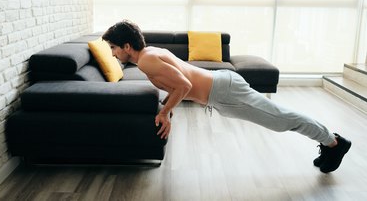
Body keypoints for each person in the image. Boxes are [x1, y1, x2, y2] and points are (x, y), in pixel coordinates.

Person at [102, 20, 351, 174]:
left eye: (113, 48)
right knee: (279, 119)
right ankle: (331, 142)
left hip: (225, 92)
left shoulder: (146, 61)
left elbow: (184, 85)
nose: (113, 54)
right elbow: (176, 85)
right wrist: (166, 109)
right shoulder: (150, 53)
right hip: (221, 91)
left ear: (126, 46)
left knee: (280, 119)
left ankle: (334, 143)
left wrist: (165, 112)